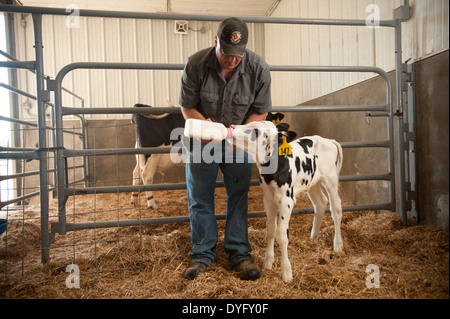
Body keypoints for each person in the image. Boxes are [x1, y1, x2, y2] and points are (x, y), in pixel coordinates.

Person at [179, 17, 272, 281]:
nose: (233, 60)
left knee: (239, 195)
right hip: (202, 139)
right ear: (215, 42)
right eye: (227, 53)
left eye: (238, 55)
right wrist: (204, 126)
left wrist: (238, 135)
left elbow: (261, 110)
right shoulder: (196, 65)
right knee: (200, 196)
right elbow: (187, 107)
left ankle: (239, 254)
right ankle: (202, 255)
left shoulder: (258, 68)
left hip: (239, 141)